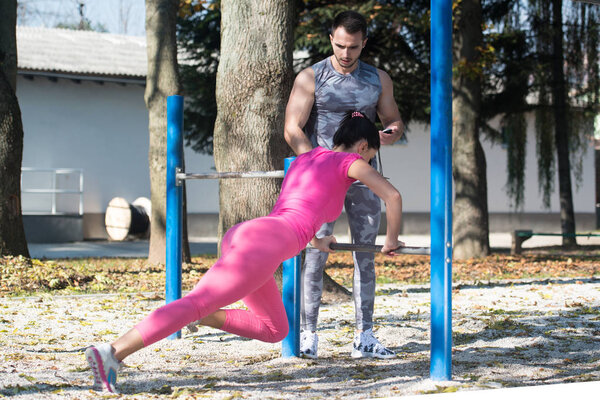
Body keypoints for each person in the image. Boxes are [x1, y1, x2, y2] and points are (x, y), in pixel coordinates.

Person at [85, 111, 403, 393]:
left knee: (274, 329)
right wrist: (390, 240)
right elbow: (392, 196)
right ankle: (112, 352)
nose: (369, 162)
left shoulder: (307, 159)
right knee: (193, 303)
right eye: (371, 155)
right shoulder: (353, 163)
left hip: (254, 235)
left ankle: (204, 315)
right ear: (363, 147)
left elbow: (300, 212)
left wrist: (317, 241)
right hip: (261, 247)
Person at [284, 10, 405, 359]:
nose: (346, 54)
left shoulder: (378, 78)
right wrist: (313, 161)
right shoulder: (311, 77)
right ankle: (308, 335)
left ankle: (364, 336)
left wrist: (391, 133)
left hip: (364, 173)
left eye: (353, 47)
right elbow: (292, 128)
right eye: (339, 46)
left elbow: (394, 120)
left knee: (365, 255)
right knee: (315, 253)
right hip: (321, 176)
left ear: (363, 43)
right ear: (331, 41)